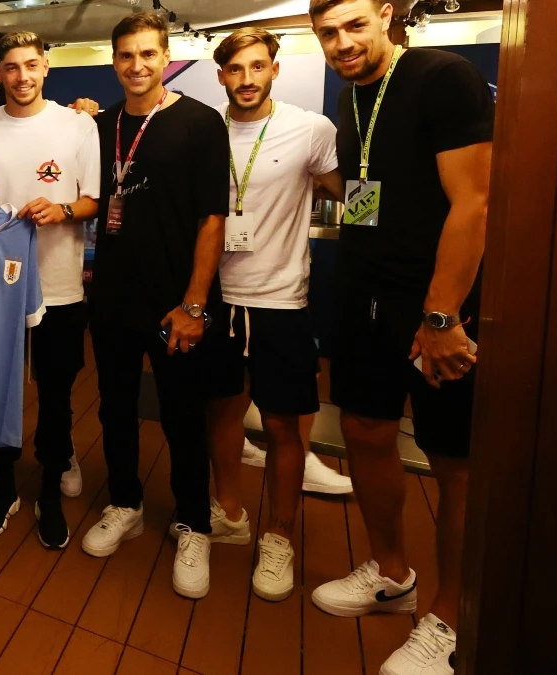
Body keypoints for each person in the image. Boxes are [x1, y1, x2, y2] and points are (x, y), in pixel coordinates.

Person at [308, 2, 492, 673]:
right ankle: (392, 573)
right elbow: (369, 194)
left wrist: (442, 316)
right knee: (363, 428)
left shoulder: (444, 76)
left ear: (386, 13)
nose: (342, 42)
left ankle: (450, 615)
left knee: (454, 464)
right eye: (328, 32)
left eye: (355, 25)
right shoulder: (354, 95)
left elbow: (474, 201)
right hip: (366, 297)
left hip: (437, 308)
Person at [84, 13, 229, 601]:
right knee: (115, 408)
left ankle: (194, 521)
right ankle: (125, 503)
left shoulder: (199, 123)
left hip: (177, 303)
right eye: (125, 55)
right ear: (114, 60)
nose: (136, 65)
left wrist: (194, 304)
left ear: (165, 56)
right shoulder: (100, 126)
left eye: (148, 54)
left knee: (182, 415)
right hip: (114, 297)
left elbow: (211, 219)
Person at [199, 28, 344, 602]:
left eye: (258, 67)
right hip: (216, 299)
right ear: (221, 77)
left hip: (283, 302)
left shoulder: (311, 128)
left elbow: (352, 198)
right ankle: (230, 513)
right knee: (223, 413)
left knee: (284, 427)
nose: (248, 79)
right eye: (236, 70)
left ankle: (279, 536)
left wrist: (394, 234)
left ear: (275, 70)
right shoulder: (205, 131)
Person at [0, 31, 99, 549]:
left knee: (57, 393)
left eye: (31, 66)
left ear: (46, 69)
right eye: (11, 67)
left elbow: (92, 200)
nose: (21, 76)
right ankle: (6, 486)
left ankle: (49, 491)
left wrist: (61, 209)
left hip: (59, 285)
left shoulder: (78, 124)